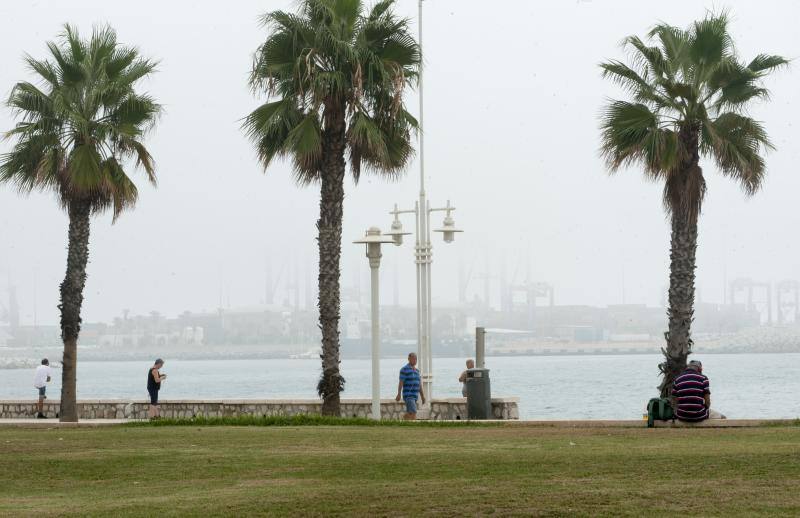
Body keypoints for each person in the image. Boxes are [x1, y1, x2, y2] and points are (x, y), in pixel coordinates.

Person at [396, 352, 425, 420]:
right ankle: (414, 426)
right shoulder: (404, 369)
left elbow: (419, 385)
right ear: (409, 359)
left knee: (410, 413)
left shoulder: (417, 371)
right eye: (413, 359)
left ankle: (403, 419)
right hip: (408, 395)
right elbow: (401, 382)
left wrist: (422, 396)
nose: (415, 360)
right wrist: (399, 394)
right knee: (413, 411)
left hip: (415, 396)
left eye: (416, 359)